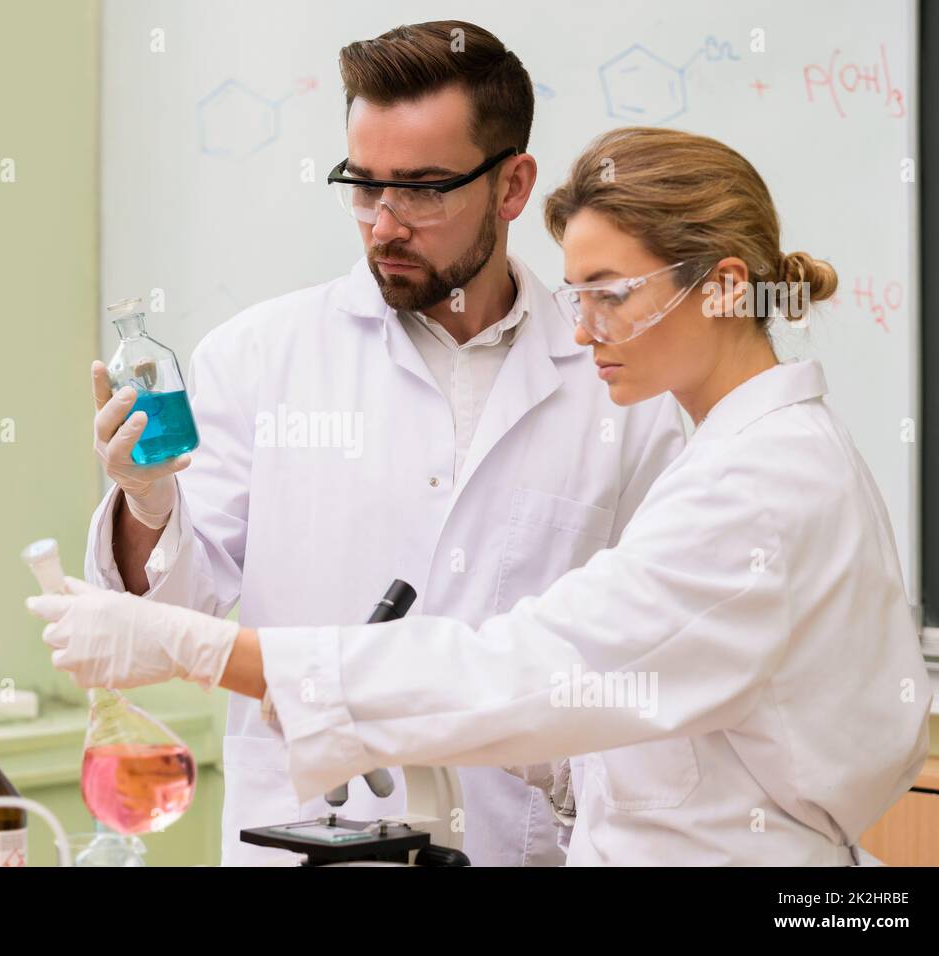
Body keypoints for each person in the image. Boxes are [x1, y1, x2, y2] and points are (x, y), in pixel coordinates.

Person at [31, 126, 932, 866]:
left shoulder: (760, 482)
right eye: (577, 296)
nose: (582, 331)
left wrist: (210, 650)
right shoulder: (740, 451)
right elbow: (664, 692)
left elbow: (539, 663)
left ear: (728, 287)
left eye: (611, 296)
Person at [79, 21, 685, 866]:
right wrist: (148, 504)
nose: (385, 225)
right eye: (364, 186)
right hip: (298, 838)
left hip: (519, 843)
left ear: (512, 186)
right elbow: (179, 614)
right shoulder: (260, 357)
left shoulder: (622, 387)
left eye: (425, 189)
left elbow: (649, 650)